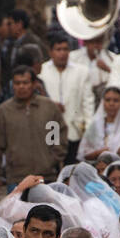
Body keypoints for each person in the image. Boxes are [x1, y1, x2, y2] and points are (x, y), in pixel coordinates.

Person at [0, 66, 67, 196]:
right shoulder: (4, 112)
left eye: (25, 83)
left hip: (47, 177)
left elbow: (58, 138)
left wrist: (51, 161)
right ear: (12, 85)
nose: (21, 87)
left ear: (34, 84)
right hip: (17, 178)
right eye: (17, 83)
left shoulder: (49, 108)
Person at [39, 34, 95, 165]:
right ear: (51, 52)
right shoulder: (42, 71)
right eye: (58, 50)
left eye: (65, 49)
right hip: (50, 129)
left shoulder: (82, 72)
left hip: (74, 129)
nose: (62, 53)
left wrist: (88, 129)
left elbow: (88, 102)